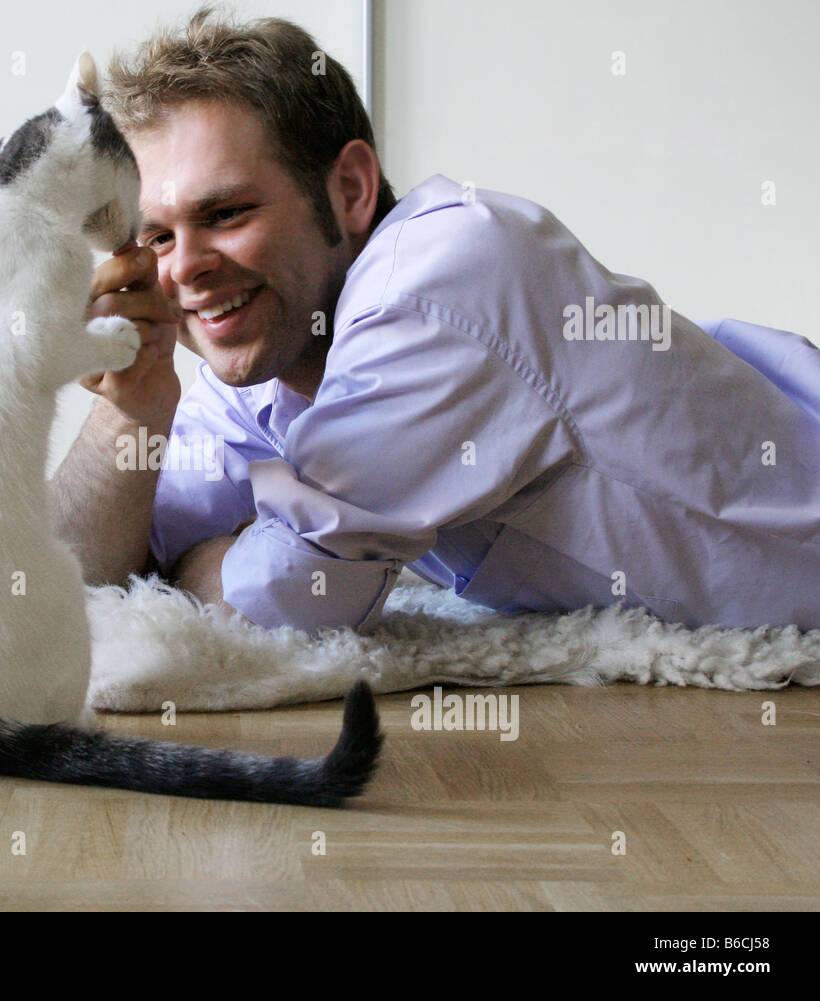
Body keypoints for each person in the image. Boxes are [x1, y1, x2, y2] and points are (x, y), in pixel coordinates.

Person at [50, 4, 820, 635]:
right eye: (156, 236)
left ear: (350, 190)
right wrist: (133, 407)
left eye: (225, 212)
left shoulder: (437, 279)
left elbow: (293, 594)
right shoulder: (269, 357)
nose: (181, 267)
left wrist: (188, 568)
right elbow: (75, 573)